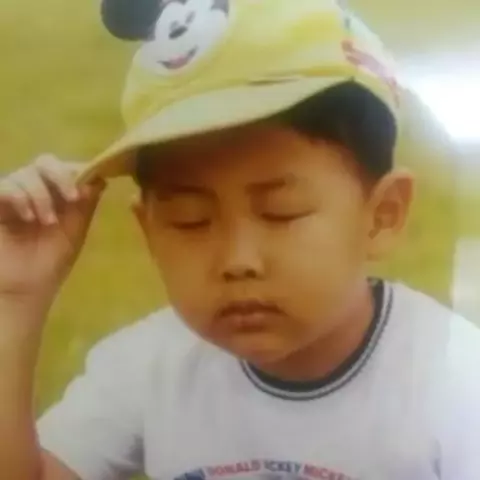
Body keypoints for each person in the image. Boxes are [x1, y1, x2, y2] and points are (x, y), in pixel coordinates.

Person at [0, 0, 479, 479]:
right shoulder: (151, 366)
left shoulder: (454, 382)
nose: (238, 260)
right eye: (190, 220)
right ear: (148, 230)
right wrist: (14, 301)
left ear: (382, 216)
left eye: (281, 212)